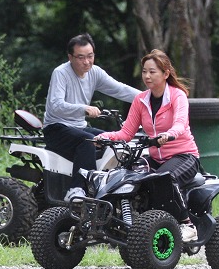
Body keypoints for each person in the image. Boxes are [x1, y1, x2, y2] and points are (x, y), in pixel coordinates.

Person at [95, 49, 201, 243]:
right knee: (125, 174)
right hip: (155, 158)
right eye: (144, 71)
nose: (147, 76)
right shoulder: (140, 100)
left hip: (184, 155)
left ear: (166, 73)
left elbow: (180, 124)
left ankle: (187, 224)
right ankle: (128, 221)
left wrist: (168, 134)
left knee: (165, 178)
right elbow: (126, 133)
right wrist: (104, 137)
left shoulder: (177, 96)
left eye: (152, 72)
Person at [43, 33, 139, 201]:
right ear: (70, 57)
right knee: (88, 141)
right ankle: (76, 190)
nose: (87, 62)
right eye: (81, 57)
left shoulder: (94, 72)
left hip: (79, 128)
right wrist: (84, 109)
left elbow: (120, 89)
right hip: (56, 128)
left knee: (113, 140)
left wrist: (149, 98)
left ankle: (112, 187)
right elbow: (55, 105)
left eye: (90, 56)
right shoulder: (61, 73)